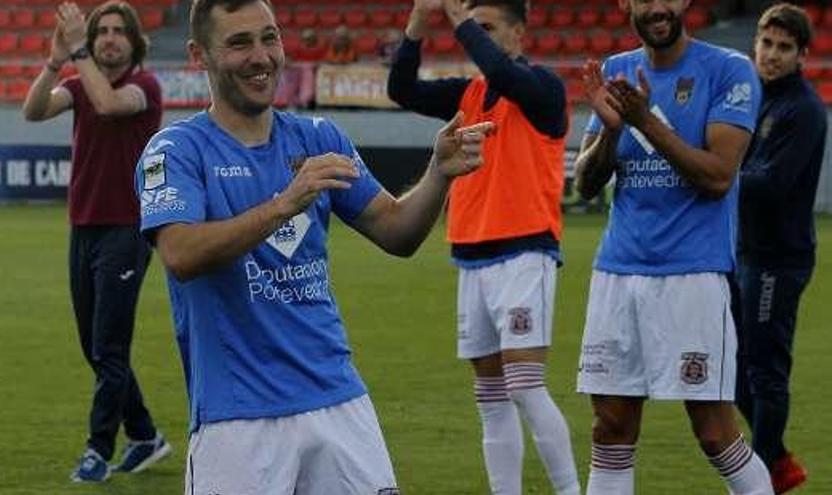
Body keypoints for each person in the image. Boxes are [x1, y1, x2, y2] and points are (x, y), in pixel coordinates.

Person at [134, 0, 494, 493]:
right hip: (238, 418)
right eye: (239, 43)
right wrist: (285, 203)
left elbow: (397, 231)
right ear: (200, 55)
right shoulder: (176, 150)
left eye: (269, 37)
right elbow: (179, 254)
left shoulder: (319, 137)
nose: (261, 56)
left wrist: (437, 174)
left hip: (338, 400)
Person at [572, 0, 773, 493]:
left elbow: (718, 177)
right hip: (617, 273)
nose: (658, 6)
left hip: (693, 275)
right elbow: (585, 183)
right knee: (610, 430)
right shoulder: (616, 71)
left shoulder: (729, 71)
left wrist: (645, 121)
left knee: (715, 436)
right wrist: (611, 132)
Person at [388, 1, 580, 493]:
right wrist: (418, 21)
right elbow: (400, 89)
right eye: (475, 27)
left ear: (519, 34)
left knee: (525, 387)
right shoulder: (469, 94)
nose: (476, 35)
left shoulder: (542, 90)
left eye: (488, 27)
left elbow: (500, 70)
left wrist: (457, 18)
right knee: (490, 396)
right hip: (471, 255)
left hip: (524, 253)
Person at [21, 0, 170, 483]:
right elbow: (33, 110)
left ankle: (97, 449)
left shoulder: (143, 87)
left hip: (126, 229)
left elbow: (107, 103)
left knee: (108, 345)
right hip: (83, 227)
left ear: (134, 42)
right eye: (100, 31)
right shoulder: (80, 85)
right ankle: (146, 435)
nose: (108, 38)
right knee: (95, 346)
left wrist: (79, 49)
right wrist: (52, 61)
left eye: (117, 32)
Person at [735, 4, 826, 493]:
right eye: (766, 44)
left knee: (765, 371)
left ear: (801, 56)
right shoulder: (753, 97)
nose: (771, 55)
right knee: (728, 368)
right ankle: (777, 463)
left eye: (784, 48)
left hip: (778, 260)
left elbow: (773, 183)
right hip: (745, 252)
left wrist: (717, 168)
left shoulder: (803, 110)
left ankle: (762, 476)